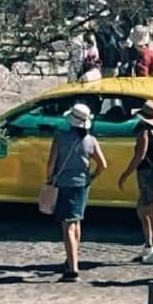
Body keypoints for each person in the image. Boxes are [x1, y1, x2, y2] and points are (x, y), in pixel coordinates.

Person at [45, 102, 107, 281]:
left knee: (68, 227)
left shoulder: (60, 138)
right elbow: (103, 164)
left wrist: (50, 179)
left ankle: (72, 268)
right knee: (77, 222)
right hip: (82, 184)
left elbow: (51, 164)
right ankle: (73, 258)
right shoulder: (91, 141)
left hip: (65, 184)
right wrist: (91, 177)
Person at [117, 100, 153, 265]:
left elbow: (139, 156)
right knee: (143, 209)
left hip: (148, 175)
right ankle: (149, 245)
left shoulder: (144, 132)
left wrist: (125, 174)